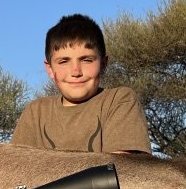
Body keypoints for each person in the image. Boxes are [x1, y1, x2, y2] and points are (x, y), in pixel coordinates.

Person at [11, 13, 151, 154]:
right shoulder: (36, 112)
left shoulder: (119, 100)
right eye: (64, 61)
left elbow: (123, 169)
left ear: (103, 64)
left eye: (86, 60)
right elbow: (17, 169)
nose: (76, 72)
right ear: (49, 68)